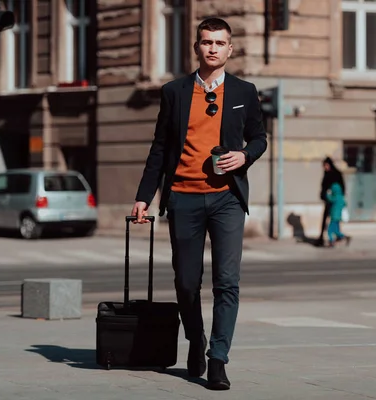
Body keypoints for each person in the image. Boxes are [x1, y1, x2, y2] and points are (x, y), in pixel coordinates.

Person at [130, 17, 267, 391]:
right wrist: (145, 196)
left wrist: (244, 156)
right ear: (197, 47)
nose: (212, 48)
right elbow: (160, 148)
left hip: (226, 199)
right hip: (184, 198)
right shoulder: (174, 92)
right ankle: (196, 337)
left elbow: (259, 137)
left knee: (227, 282)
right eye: (206, 42)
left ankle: (218, 358)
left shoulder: (244, 90)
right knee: (187, 283)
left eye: (220, 43)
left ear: (229, 49)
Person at [317, 157, 345, 246]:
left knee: (334, 220)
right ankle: (325, 237)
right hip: (329, 201)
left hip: (334, 202)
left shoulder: (336, 174)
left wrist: (332, 197)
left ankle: (334, 237)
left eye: (326, 165)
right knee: (329, 219)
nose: (325, 167)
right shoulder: (327, 174)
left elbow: (340, 189)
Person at [326, 181, 351, 247]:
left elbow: (330, 199)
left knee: (330, 230)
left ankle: (332, 242)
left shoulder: (335, 197)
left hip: (334, 216)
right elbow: (344, 204)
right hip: (339, 216)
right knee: (336, 230)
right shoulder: (341, 197)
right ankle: (345, 237)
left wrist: (328, 194)